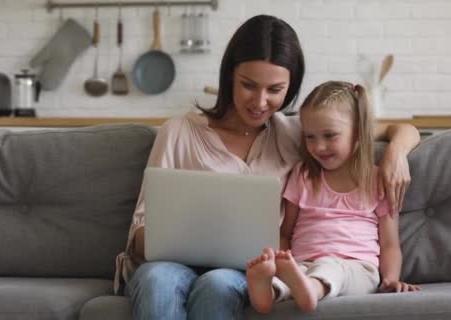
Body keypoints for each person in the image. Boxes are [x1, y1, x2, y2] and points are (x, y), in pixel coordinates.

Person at [114, 15, 420, 320]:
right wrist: (184, 233)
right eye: (248, 85)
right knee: (158, 280)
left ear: (291, 87)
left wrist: (396, 153)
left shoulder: (296, 134)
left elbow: (392, 129)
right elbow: (140, 231)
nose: (260, 102)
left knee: (218, 284)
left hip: (241, 270)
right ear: (229, 76)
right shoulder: (179, 132)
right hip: (170, 266)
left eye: (275, 89)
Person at [246, 81, 421, 314]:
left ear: (358, 133)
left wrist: (390, 279)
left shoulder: (377, 180)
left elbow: (390, 244)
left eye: (330, 135)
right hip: (303, 265)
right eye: (310, 137)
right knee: (296, 273)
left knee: (330, 268)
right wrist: (280, 262)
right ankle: (269, 292)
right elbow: (285, 233)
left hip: (357, 268)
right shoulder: (303, 175)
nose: (319, 146)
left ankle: (311, 290)